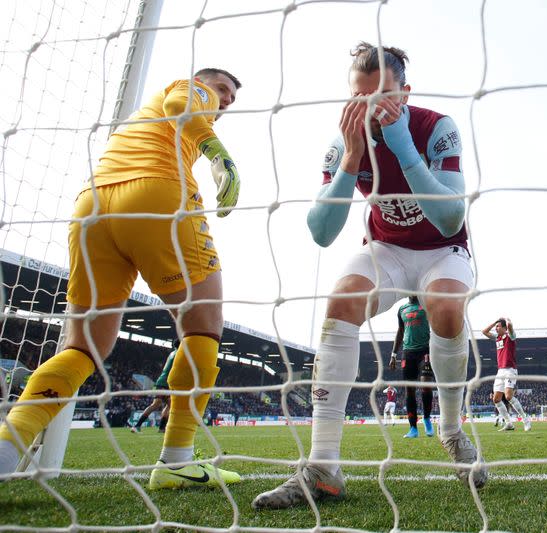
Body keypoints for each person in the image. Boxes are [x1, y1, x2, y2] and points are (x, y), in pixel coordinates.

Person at [252, 41, 486, 510]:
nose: (370, 107)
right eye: (360, 97)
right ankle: (322, 468)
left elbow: (449, 219)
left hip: (443, 249)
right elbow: (321, 233)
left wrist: (401, 146)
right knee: (339, 304)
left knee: (445, 306)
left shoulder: (436, 127)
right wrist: (351, 159)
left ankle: (452, 429)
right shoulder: (344, 141)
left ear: (405, 93)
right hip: (387, 250)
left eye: (382, 95)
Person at [0, 68, 243, 490]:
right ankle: (176, 461)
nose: (224, 102)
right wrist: (218, 152)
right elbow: (179, 104)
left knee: (83, 347)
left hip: (92, 206)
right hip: (156, 195)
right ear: (203, 80)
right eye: (223, 91)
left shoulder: (141, 122)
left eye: (230, 100)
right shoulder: (191, 90)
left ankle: (4, 452)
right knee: (203, 328)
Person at [390, 296, 434, 438]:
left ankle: (427, 418)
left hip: (425, 350)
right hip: (408, 353)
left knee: (426, 385)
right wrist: (393, 354)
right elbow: (400, 330)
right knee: (409, 391)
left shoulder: (427, 305)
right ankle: (413, 428)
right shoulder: (402, 309)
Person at [481, 318, 531, 432]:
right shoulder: (497, 338)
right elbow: (484, 332)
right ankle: (509, 423)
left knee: (508, 396)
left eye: (498, 326)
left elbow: (510, 326)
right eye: (496, 326)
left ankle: (525, 419)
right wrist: (494, 322)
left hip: (510, 370)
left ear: (504, 328)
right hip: (500, 371)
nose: (496, 328)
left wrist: (507, 320)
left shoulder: (510, 337)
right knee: (496, 399)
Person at [131, 339, 180, 434]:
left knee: (166, 405)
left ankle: (160, 428)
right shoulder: (179, 354)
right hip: (168, 382)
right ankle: (139, 426)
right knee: (161, 405)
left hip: (162, 381)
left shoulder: (172, 354)